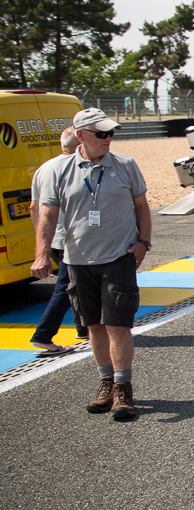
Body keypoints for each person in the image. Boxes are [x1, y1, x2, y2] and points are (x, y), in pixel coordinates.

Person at [31, 109, 151, 420]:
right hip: (77, 260)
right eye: (101, 134)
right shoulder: (59, 170)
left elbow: (141, 205)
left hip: (118, 258)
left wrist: (144, 242)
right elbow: (47, 215)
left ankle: (124, 389)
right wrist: (42, 254)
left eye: (111, 133)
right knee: (94, 326)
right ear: (81, 135)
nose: (108, 139)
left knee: (118, 325)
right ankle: (105, 383)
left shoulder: (125, 165)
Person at [29, 128, 88, 354]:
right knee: (66, 286)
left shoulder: (44, 168)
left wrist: (42, 238)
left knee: (76, 283)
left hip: (53, 237)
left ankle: (83, 328)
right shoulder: (76, 166)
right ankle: (43, 334)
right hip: (73, 236)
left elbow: (36, 207)